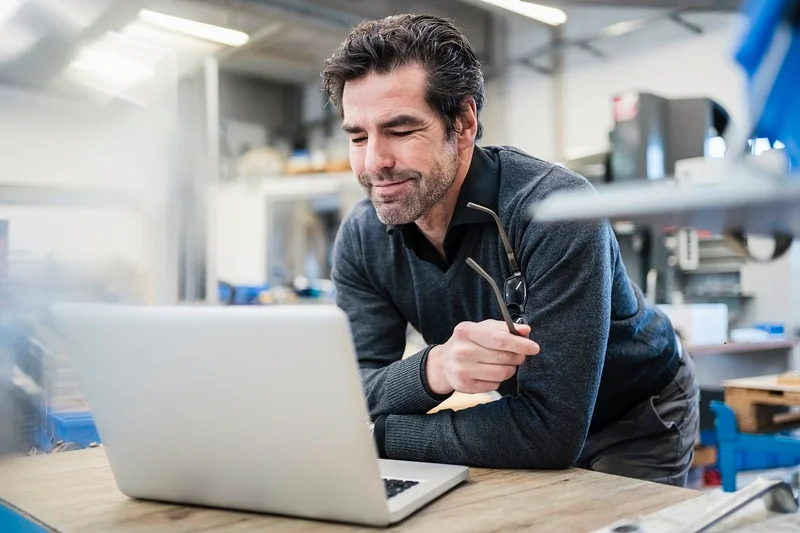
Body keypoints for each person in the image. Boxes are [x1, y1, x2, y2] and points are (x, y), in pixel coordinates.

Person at [323, 13, 699, 487]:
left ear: (462, 124)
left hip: (634, 414)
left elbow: (549, 433)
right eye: (358, 136)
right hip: (520, 415)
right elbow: (353, 386)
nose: (375, 161)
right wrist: (433, 367)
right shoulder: (363, 236)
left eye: (400, 131)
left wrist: (381, 436)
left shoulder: (557, 210)